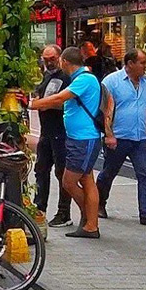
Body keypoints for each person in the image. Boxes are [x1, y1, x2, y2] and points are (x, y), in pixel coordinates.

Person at [27, 47, 103, 239]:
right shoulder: (80, 79)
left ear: (65, 61)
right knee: (86, 179)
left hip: (83, 139)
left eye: (56, 59)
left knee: (69, 182)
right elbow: (60, 103)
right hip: (79, 138)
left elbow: (60, 98)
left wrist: (32, 105)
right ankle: (90, 223)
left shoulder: (84, 79)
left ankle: (89, 219)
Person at [95, 49, 146, 228]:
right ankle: (100, 202)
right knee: (109, 172)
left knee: (145, 174)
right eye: (142, 63)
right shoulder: (111, 82)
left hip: (140, 137)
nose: (145, 67)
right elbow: (104, 111)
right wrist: (109, 135)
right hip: (119, 136)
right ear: (130, 63)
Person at [32, 45, 73, 228]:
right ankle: (39, 208)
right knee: (41, 170)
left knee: (61, 173)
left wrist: (44, 104)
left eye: (52, 59)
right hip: (46, 131)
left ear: (60, 58)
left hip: (60, 131)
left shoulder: (66, 78)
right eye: (45, 59)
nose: (49, 62)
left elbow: (66, 103)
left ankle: (64, 212)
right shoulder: (46, 76)